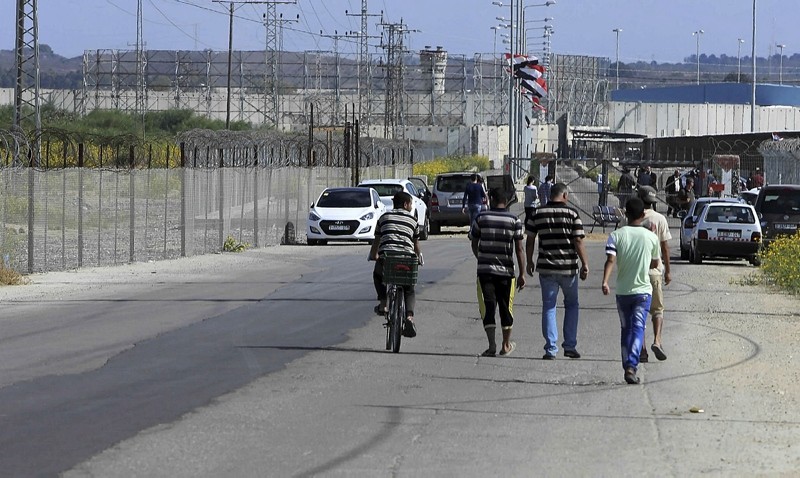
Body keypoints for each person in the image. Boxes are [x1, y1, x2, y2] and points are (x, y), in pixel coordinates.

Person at [526, 183, 589, 360]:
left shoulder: (537, 213)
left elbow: (530, 239)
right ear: (565, 196)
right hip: (568, 268)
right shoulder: (572, 214)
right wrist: (585, 264)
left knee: (549, 306)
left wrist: (529, 261)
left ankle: (550, 349)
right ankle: (569, 345)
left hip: (546, 267)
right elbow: (578, 240)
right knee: (571, 305)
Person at [601, 197, 661, 385]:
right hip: (643, 291)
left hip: (623, 292)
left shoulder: (616, 235)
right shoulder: (651, 237)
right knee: (638, 328)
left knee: (626, 328)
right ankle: (631, 366)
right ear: (643, 215)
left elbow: (610, 260)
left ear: (625, 214)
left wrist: (605, 281)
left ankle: (627, 363)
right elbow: (655, 263)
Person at [471, 187, 526, 357]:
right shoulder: (514, 220)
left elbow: (474, 241)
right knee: (506, 308)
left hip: (485, 272)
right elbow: (519, 248)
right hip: (506, 273)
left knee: (488, 308)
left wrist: (480, 257)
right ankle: (506, 344)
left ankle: (492, 345)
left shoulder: (481, 218)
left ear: (492, 199)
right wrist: (522, 273)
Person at [369, 191, 423, 338]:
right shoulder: (413, 221)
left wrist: (374, 255)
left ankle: (383, 303)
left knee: (377, 275)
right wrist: (419, 258)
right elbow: (416, 243)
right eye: (411, 204)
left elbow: (377, 240)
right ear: (405, 204)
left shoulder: (384, 218)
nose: (412, 207)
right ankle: (409, 317)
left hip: (387, 258)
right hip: (407, 260)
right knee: (409, 288)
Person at [637, 186, 671, 363]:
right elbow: (665, 247)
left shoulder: (630, 218)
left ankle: (642, 349)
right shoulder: (660, 219)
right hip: (655, 271)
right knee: (657, 310)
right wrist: (668, 271)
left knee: (639, 312)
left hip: (637, 272)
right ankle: (657, 340)